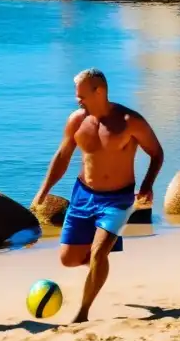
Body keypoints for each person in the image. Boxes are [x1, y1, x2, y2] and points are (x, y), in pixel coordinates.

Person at [31, 69, 163, 322]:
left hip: (118, 199)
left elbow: (157, 153)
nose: (77, 100)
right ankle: (98, 266)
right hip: (83, 195)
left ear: (99, 91)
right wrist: (43, 190)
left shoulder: (130, 121)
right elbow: (62, 156)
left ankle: (82, 313)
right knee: (68, 260)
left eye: (81, 95)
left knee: (98, 253)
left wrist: (147, 185)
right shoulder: (77, 121)